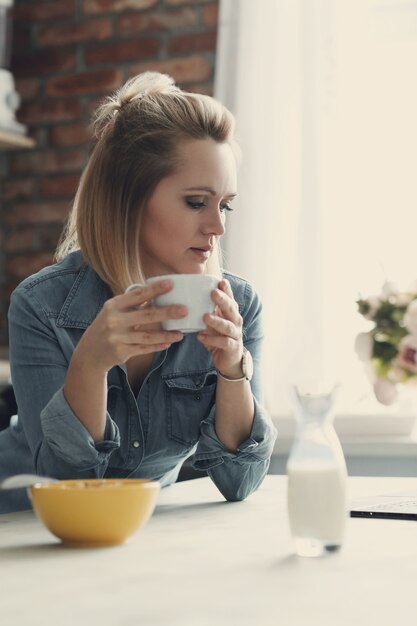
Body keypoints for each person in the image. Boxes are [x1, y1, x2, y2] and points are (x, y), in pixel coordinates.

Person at [0, 72, 277, 513]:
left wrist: (231, 370)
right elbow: (63, 484)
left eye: (224, 205)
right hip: (21, 521)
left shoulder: (238, 307)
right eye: (195, 202)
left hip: (135, 531)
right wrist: (89, 366)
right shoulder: (41, 306)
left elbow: (240, 481)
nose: (218, 226)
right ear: (128, 197)